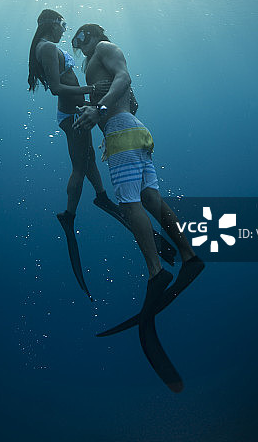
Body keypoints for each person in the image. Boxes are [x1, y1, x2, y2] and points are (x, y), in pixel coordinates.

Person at [71, 23, 204, 307]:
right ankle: (189, 257)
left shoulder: (104, 48)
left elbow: (125, 79)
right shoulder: (95, 64)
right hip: (132, 131)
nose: (78, 43)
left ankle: (156, 273)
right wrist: (97, 107)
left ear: (94, 34)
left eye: (81, 36)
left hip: (121, 134)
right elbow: (129, 99)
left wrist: (100, 110)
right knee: (150, 198)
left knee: (130, 205)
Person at [27, 9, 126, 298]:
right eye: (63, 26)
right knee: (79, 168)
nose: (65, 32)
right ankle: (68, 215)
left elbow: (66, 86)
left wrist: (90, 98)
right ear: (52, 24)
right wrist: (93, 88)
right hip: (70, 116)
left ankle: (101, 196)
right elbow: (59, 88)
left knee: (89, 159)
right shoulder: (45, 48)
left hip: (74, 111)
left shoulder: (48, 48)